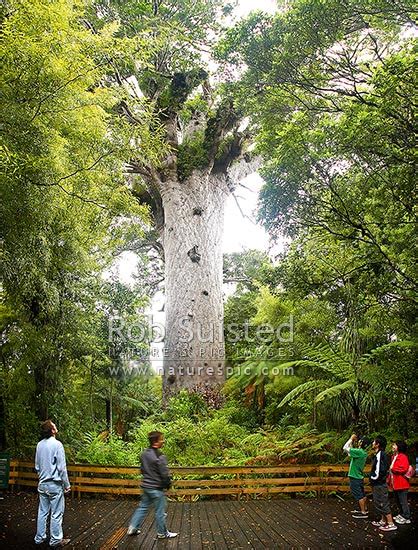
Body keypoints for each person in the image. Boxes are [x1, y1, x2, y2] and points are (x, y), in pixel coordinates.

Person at [127, 431, 178, 539]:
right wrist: (168, 485)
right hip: (156, 489)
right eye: (161, 439)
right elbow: (164, 474)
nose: (163, 441)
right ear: (155, 442)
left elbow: (142, 469)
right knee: (160, 511)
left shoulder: (144, 454)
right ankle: (162, 533)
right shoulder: (160, 456)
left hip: (146, 486)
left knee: (143, 507)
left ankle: (133, 528)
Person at [34, 420, 71, 547]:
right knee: (56, 513)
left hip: (42, 484)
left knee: (42, 511)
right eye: (54, 425)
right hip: (54, 485)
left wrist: (42, 478)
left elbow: (37, 466)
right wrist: (67, 485)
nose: (56, 426)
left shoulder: (39, 445)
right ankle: (55, 540)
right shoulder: (57, 445)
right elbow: (61, 468)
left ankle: (39, 538)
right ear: (52, 430)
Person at [370, 435, 397, 532]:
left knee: (383, 502)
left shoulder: (380, 454)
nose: (372, 443)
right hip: (379, 483)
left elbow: (379, 470)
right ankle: (383, 520)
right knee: (380, 501)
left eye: (374, 442)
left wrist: (372, 478)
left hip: (379, 483)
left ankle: (390, 523)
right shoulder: (379, 454)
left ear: (378, 444)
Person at [342, 433, 370, 519]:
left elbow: (345, 448)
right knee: (362, 494)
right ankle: (364, 509)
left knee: (359, 495)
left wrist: (350, 439)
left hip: (355, 477)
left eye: (360, 441)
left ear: (361, 443)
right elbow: (349, 453)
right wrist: (352, 442)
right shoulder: (363, 453)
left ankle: (363, 512)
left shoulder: (359, 452)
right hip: (359, 476)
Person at [388, 441, 411, 525]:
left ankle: (407, 517)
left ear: (399, 447)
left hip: (402, 483)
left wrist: (393, 469)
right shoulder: (394, 456)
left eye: (394, 445)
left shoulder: (403, 457)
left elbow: (404, 468)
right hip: (395, 483)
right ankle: (402, 514)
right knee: (397, 500)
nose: (393, 446)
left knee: (403, 501)